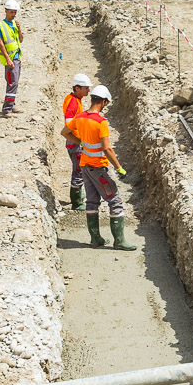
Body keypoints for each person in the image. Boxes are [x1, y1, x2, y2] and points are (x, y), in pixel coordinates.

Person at [59, 85, 136, 251]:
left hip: (85, 166)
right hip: (99, 168)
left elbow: (64, 132)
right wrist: (119, 168)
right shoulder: (101, 122)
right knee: (114, 201)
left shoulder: (80, 117)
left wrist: (80, 142)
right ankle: (119, 240)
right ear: (103, 102)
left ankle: (95, 238)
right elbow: (107, 149)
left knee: (92, 201)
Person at [63, 73, 92, 210]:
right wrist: (80, 140)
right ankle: (76, 202)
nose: (88, 90)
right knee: (78, 171)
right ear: (77, 88)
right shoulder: (74, 103)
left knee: (78, 170)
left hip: (73, 141)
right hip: (74, 143)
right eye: (86, 88)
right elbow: (69, 123)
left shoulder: (73, 98)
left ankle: (78, 195)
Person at [0, 0, 23, 115]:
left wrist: (19, 28)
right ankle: (7, 109)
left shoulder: (14, 24)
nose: (13, 14)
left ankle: (12, 105)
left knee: (14, 82)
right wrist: (7, 59)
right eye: (11, 12)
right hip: (10, 60)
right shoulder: (1, 25)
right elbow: (0, 43)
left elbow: (21, 40)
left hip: (17, 58)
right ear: (5, 11)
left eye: (14, 12)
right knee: (12, 83)